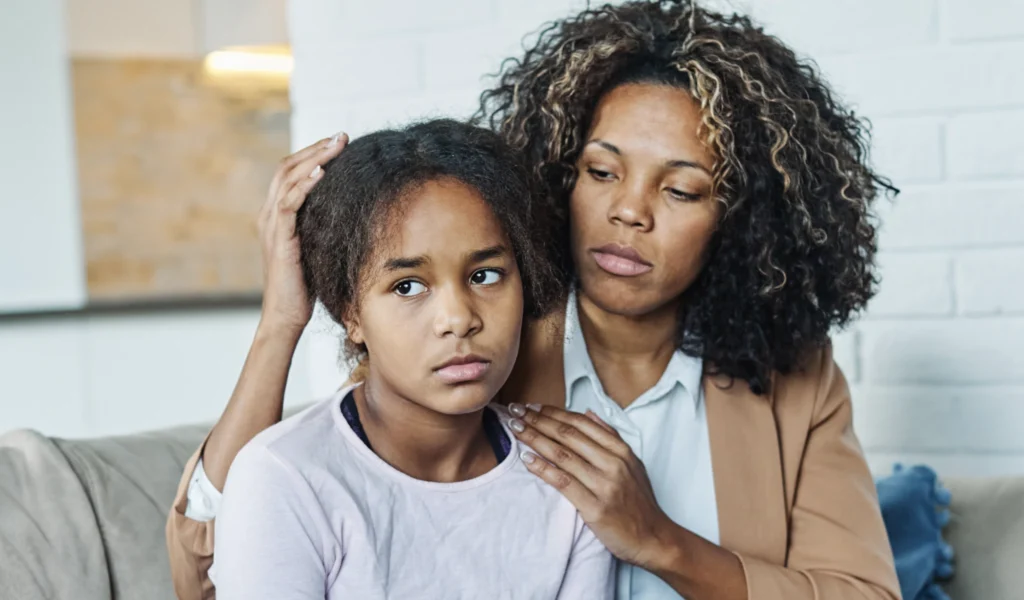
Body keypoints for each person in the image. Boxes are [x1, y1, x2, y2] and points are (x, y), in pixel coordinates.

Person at [167, 2, 901, 599]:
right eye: (601, 172)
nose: (630, 213)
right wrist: (283, 324)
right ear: (560, 175)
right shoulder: (481, 345)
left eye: (679, 189)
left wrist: (660, 541)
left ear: (744, 217)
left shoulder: (793, 377)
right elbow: (209, 567)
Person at [208, 119, 614, 599]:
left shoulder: (567, 480)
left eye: (485, 275)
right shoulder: (284, 476)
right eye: (407, 286)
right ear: (351, 315)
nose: (458, 319)